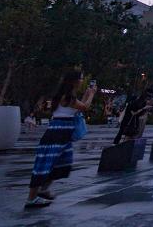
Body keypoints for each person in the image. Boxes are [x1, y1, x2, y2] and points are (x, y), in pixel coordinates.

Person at [26, 69, 96, 209]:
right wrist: (92, 94)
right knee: (43, 166)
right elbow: (84, 107)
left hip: (63, 135)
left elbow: (75, 109)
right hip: (56, 134)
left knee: (62, 163)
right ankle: (31, 199)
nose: (82, 81)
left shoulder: (67, 96)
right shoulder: (67, 97)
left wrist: (86, 95)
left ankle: (44, 190)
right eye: (81, 78)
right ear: (74, 81)